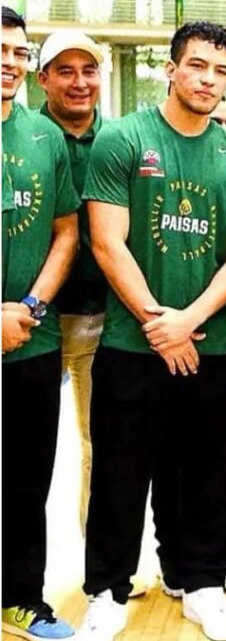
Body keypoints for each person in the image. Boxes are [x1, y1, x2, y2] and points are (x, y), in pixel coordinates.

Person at [75, 21, 226, 641]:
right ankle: (107, 593)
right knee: (122, 473)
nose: (209, 79)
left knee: (208, 472)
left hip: (213, 343)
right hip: (133, 345)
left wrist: (190, 321)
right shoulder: (124, 139)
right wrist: (160, 323)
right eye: (198, 65)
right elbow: (107, 243)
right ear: (171, 67)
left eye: (221, 70)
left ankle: (201, 582)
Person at [1, 7, 80, 641]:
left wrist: (29, 306)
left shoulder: (45, 137)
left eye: (18, 52)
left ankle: (20, 598)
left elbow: (66, 232)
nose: (9, 62)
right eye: (0, 50)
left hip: (32, 339)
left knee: (26, 484)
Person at [35, 30, 107, 533]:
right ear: (42, 79)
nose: (79, 82)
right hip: (32, 321)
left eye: (89, 70)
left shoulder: (121, 140)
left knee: (100, 444)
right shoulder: (22, 136)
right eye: (65, 71)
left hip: (103, 319)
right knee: (24, 447)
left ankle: (98, 558)